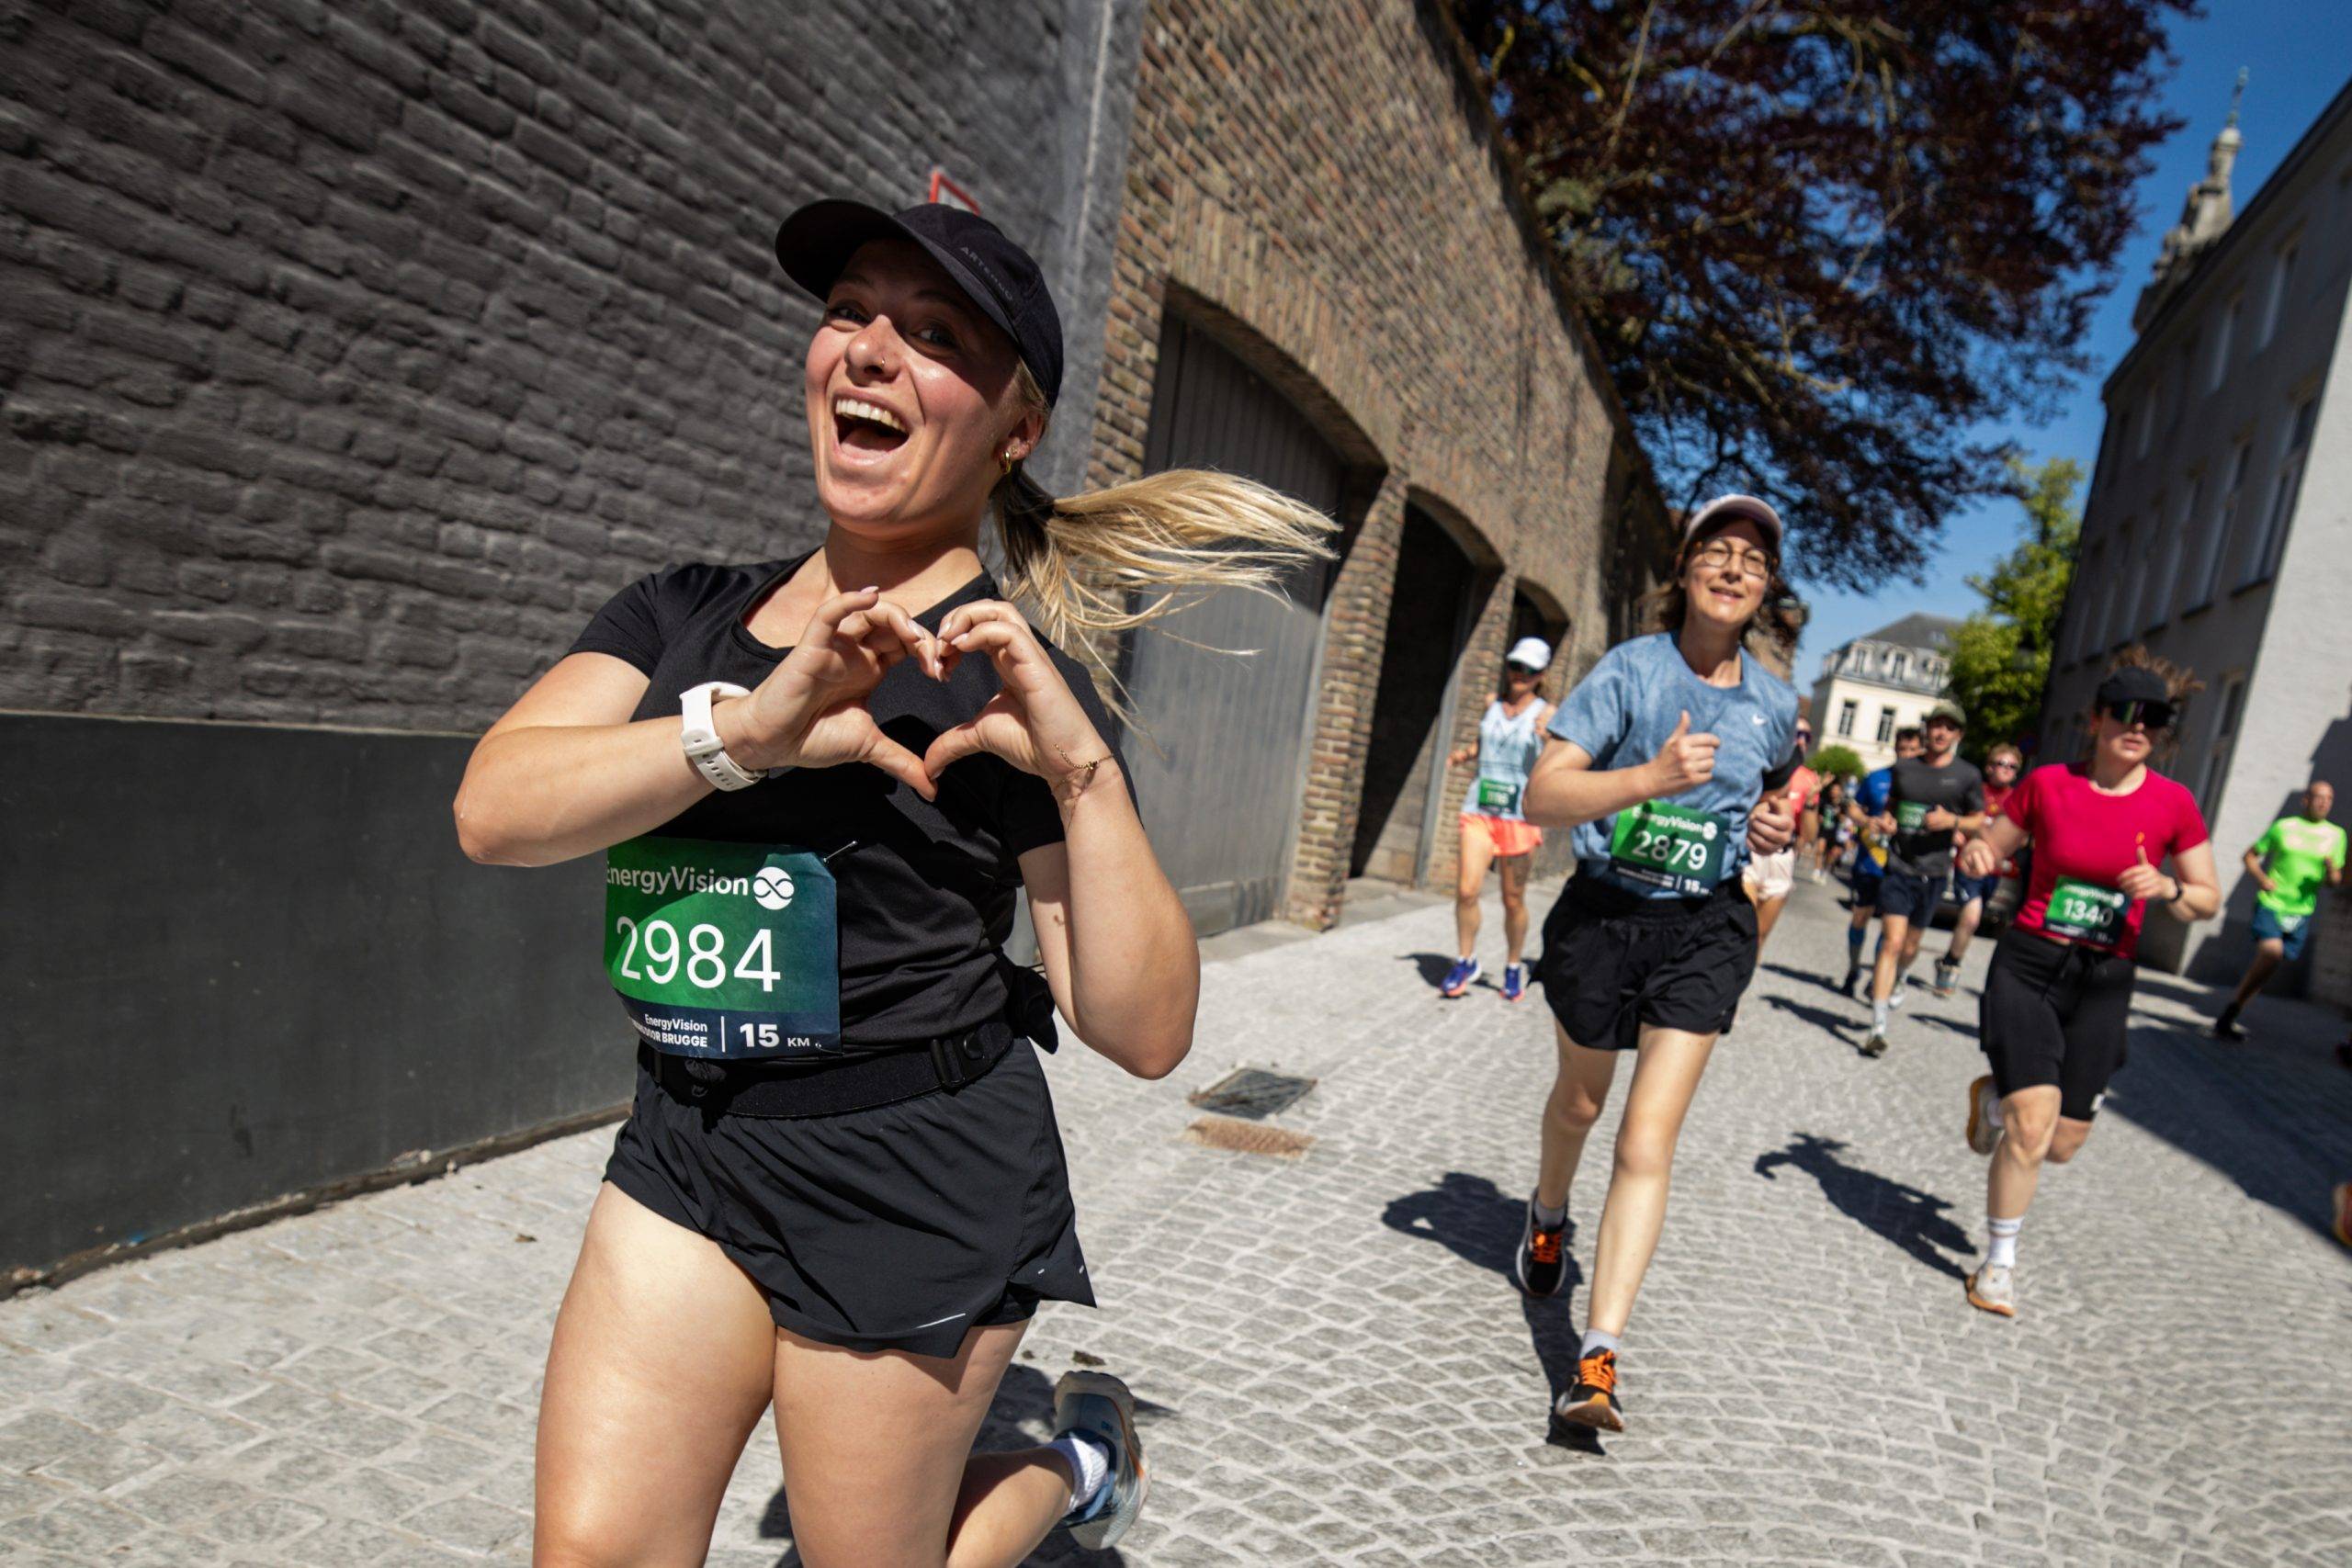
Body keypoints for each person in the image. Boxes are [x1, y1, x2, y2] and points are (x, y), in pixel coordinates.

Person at [452, 199, 1333, 1567]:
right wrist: (741, 736)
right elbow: (493, 812)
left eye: (934, 335)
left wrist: (1082, 774)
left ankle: (1078, 1464)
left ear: (1014, 428)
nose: (869, 350)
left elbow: (1146, 1030)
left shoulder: (1008, 680)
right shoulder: (681, 610)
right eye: (849, 312)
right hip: (688, 1134)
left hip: (910, 1177)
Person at [1510, 494, 1800, 1434]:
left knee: (1646, 1139)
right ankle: (1547, 1212)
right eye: (1716, 551)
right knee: (1580, 1106)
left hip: (1704, 928)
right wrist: (1650, 778)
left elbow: (1766, 801)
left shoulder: (1775, 703)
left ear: (1765, 587)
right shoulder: (1630, 672)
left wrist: (1770, 825)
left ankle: (1596, 1359)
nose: (1733, 569)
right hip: (1605, 918)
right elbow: (1543, 795)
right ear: (1685, 568)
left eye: (1752, 560)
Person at [1955, 654, 2219, 1317]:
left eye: (2153, 718)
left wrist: (2169, 888)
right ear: (2097, 719)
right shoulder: (2049, 784)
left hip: (2104, 980)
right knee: (2033, 1127)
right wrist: (1979, 852)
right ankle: (1999, 1264)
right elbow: (1989, 846)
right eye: (2125, 713)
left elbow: (2207, 899)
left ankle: (1994, 1103)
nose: (2138, 727)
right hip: (2031, 964)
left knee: (2062, 1143)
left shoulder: (2175, 804)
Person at [1860, 703, 1984, 1056]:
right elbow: (1891, 809)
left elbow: (1979, 820)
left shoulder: (1966, 775)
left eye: (1949, 727)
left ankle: (1901, 976)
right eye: (1936, 725)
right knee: (1892, 941)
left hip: (1934, 872)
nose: (1940, 732)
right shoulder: (1905, 768)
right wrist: (1887, 822)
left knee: (1911, 946)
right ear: (1927, 729)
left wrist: (1952, 822)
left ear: (1958, 735)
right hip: (1899, 865)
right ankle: (1877, 1026)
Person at [1440, 637, 1557, 1000]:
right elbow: (1486, 741)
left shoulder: (1547, 713)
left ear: (1541, 674)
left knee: (1512, 899)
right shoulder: (1491, 704)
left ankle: (1512, 964)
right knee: (1466, 890)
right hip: (1479, 809)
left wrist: (1547, 740)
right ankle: (1465, 960)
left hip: (1519, 816)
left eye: (1529, 669)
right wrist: (1464, 755)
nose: (1520, 674)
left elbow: (1557, 760)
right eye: (1515, 666)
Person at [2211, 780, 2344, 1041]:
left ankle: (2233, 1011)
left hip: (2301, 911)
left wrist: (2330, 871)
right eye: (2319, 797)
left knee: (2268, 967)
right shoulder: (2284, 827)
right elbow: (2250, 855)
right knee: (2271, 953)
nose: (2324, 803)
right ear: (2306, 800)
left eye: (2329, 799)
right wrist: (2262, 879)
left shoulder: (2336, 835)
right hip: (2272, 902)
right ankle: (2232, 1010)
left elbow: (2335, 882)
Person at [1933, 742, 2023, 996]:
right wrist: (1955, 831)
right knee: (1972, 916)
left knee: (1976, 919)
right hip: (1968, 865)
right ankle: (1951, 967)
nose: (2005, 769)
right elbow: (1952, 817)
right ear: (1989, 767)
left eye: (2012, 766)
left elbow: (2023, 836)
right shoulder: (1975, 791)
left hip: (1995, 870)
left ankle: (1949, 957)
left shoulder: (2018, 799)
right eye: (2000, 764)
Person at [1839, 728, 1924, 996]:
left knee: (1890, 926)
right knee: (1860, 916)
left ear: (1921, 751)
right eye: (1902, 749)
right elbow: (1852, 807)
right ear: (1895, 749)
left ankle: (1878, 977)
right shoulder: (1877, 777)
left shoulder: (1926, 785)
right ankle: (1853, 968)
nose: (1906, 755)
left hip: (1901, 866)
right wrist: (1866, 821)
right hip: (1870, 860)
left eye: (1912, 750)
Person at [1742, 718, 1819, 948]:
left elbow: (1810, 836)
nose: (1801, 740)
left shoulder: (1809, 779)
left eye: (1806, 736)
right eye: (1796, 733)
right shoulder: (1762, 765)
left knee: (1760, 937)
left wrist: (1810, 803)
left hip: (1782, 858)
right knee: (1742, 930)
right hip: (1751, 852)